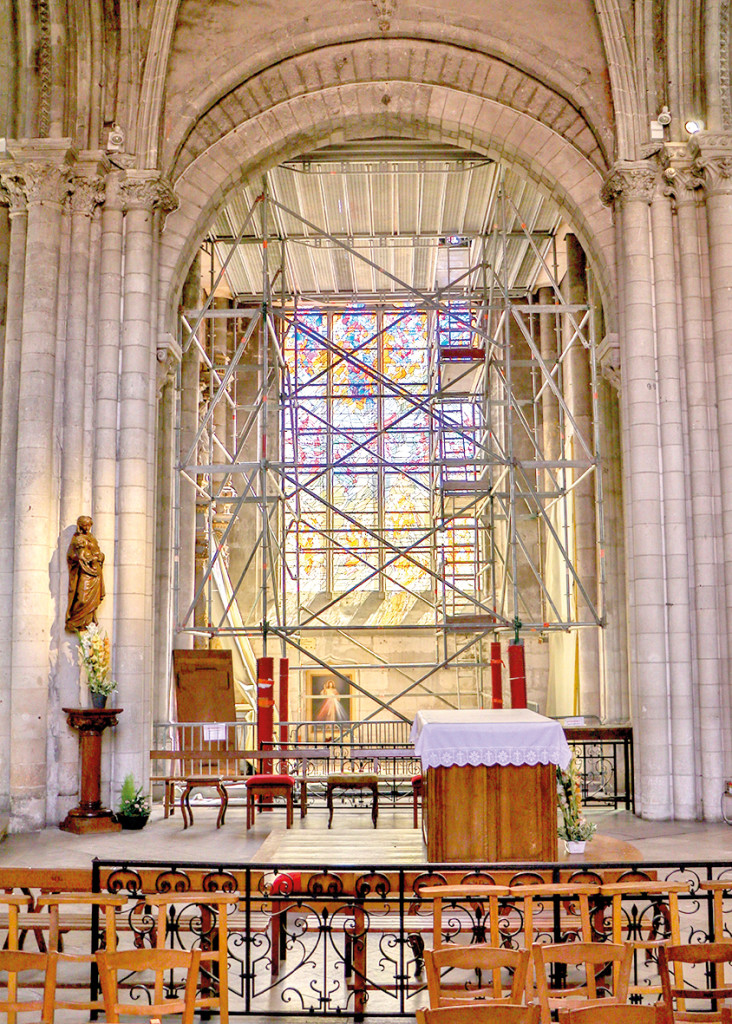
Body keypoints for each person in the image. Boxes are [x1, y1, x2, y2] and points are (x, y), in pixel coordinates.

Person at [65, 516, 106, 632]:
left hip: (95, 573)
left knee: (93, 601)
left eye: (89, 525)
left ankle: (88, 622)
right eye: (85, 525)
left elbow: (97, 551)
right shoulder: (76, 538)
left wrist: (100, 556)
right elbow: (71, 556)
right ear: (80, 525)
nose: (87, 528)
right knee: (82, 598)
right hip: (84, 571)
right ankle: (75, 621)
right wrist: (81, 558)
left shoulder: (92, 538)